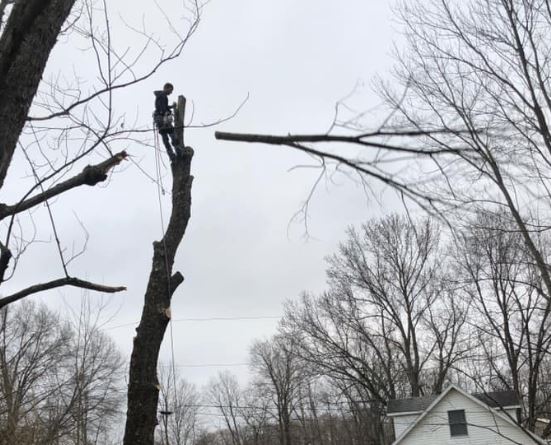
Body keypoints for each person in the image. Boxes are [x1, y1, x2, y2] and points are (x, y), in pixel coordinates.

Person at [153, 82, 177, 161]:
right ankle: (178, 150)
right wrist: (166, 113)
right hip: (162, 118)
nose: (171, 92)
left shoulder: (160, 95)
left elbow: (164, 106)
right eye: (171, 90)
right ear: (167, 88)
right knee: (172, 134)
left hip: (159, 118)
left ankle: (172, 156)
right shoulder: (162, 95)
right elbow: (162, 107)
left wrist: (171, 107)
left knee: (165, 138)